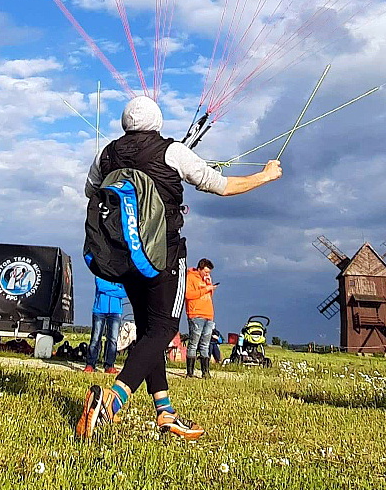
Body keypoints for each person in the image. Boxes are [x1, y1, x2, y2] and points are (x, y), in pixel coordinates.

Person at [76, 96, 283, 441]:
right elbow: (223, 186)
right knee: (164, 329)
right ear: (157, 123)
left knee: (147, 331)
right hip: (163, 255)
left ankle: (165, 413)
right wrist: (266, 175)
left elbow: (90, 191)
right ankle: (111, 402)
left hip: (123, 255)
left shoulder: (106, 154)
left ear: (125, 124)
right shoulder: (171, 151)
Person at [85, 275, 128, 374]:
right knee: (95, 338)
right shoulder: (99, 272)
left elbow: (125, 292)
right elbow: (101, 286)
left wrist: (108, 289)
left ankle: (109, 365)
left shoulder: (121, 274)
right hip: (99, 310)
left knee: (113, 340)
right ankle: (90, 364)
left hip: (115, 311)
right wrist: (117, 289)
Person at [184, 259, 219, 379]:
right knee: (194, 343)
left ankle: (205, 372)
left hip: (208, 314)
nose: (207, 274)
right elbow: (188, 295)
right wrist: (206, 289)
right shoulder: (190, 277)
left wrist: (209, 286)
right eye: (205, 272)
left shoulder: (206, 280)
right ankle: (190, 373)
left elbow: (208, 295)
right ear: (199, 269)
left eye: (209, 272)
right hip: (196, 314)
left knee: (205, 344)